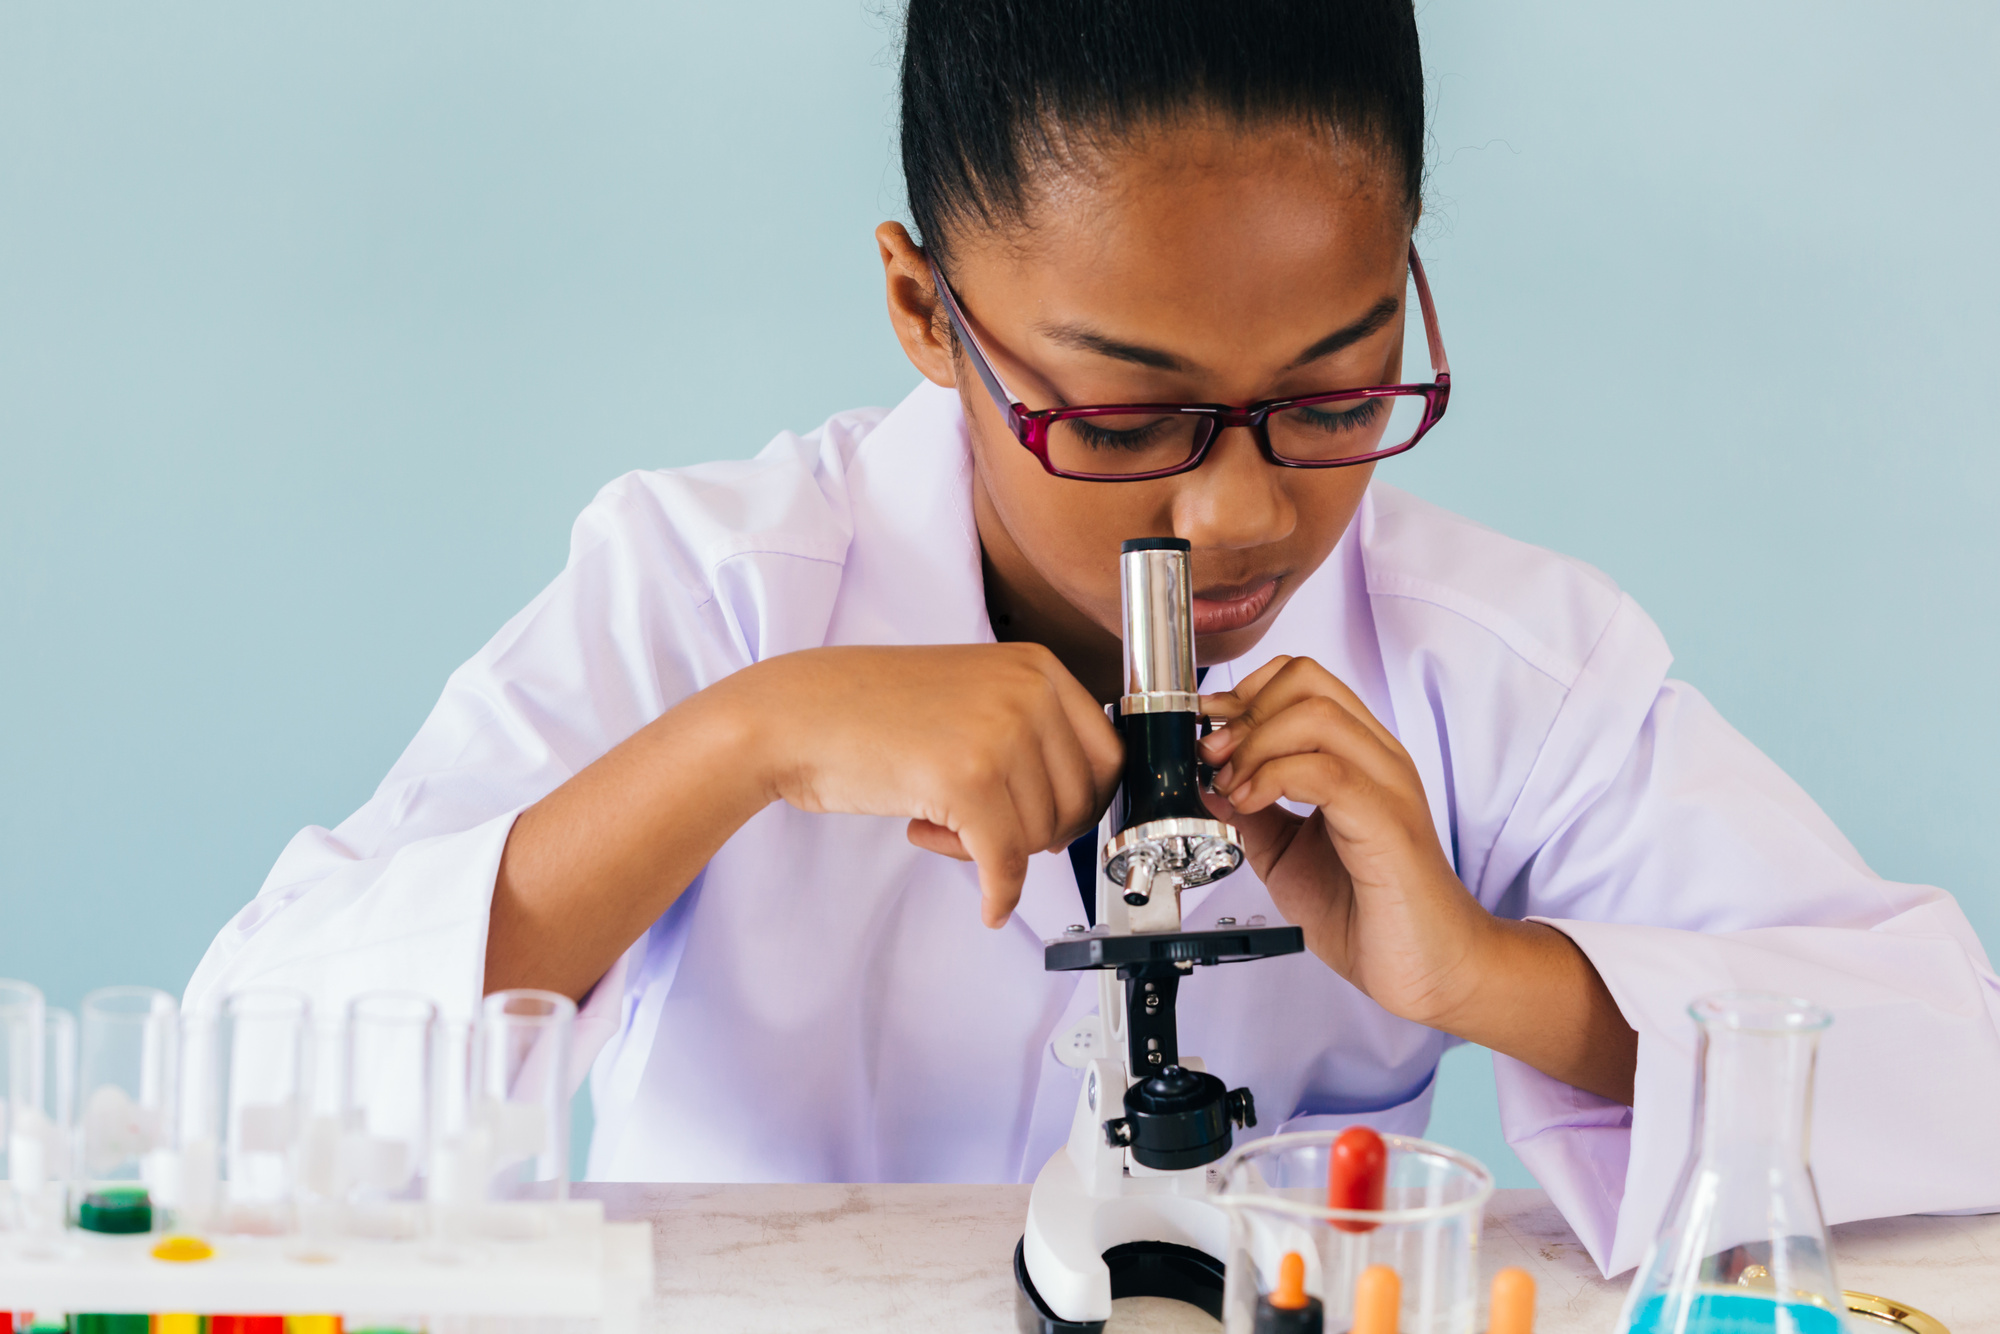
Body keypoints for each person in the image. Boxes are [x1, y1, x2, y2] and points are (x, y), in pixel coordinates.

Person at [186, 0, 2000, 1274]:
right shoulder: (710, 589)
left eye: (1336, 387)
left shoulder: (1501, 661)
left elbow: (1957, 1077)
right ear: (923, 306)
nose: (1243, 516)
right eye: (1125, 420)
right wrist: (744, 739)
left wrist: (1486, 971)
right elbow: (238, 1096)